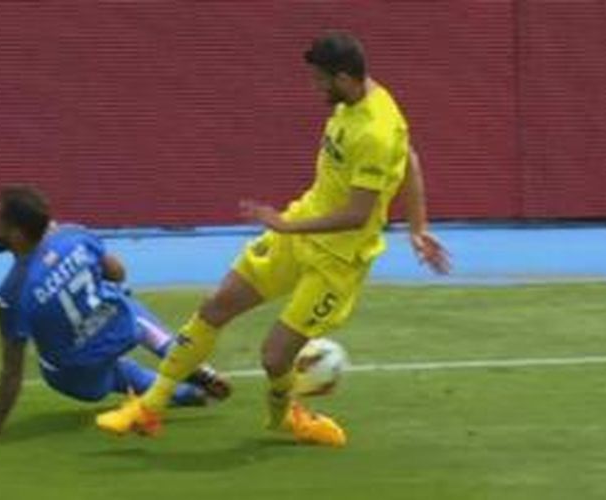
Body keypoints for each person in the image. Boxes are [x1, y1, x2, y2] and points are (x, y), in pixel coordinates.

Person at [97, 31, 450, 446]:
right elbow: (408, 156)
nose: (314, 86)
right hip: (301, 227)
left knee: (275, 356)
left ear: (343, 77)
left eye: (320, 79)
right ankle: (149, 407)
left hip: (337, 260)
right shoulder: (357, 104)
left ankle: (288, 419)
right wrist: (418, 227)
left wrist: (285, 225)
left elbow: (357, 215)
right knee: (215, 306)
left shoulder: (374, 129)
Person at [0, 186, 230, 440]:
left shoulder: (11, 295)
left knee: (94, 370)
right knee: (125, 304)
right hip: (119, 328)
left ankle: (183, 394)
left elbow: (12, 371)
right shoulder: (73, 235)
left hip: (79, 376)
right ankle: (187, 363)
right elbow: (118, 273)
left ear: (18, 234)